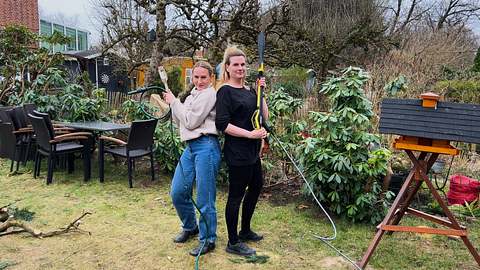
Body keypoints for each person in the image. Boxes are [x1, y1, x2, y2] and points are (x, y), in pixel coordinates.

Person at [215, 46, 268, 256]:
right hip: (237, 151)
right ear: (227, 68)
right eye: (235, 64)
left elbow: (264, 116)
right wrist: (249, 134)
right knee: (236, 195)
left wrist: (261, 93)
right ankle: (233, 241)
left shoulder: (249, 91)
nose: (240, 68)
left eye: (243, 64)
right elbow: (222, 124)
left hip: (253, 150)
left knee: (256, 187)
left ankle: (245, 230)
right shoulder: (225, 91)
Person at [164, 61, 221, 256]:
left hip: (206, 146)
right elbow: (179, 120)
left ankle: (208, 239)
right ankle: (190, 227)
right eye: (195, 77)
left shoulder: (209, 94)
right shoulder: (192, 95)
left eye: (203, 77)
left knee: (204, 197)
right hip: (190, 147)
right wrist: (175, 104)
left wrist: (174, 102)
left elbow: (189, 121)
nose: (199, 81)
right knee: (178, 191)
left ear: (211, 78)